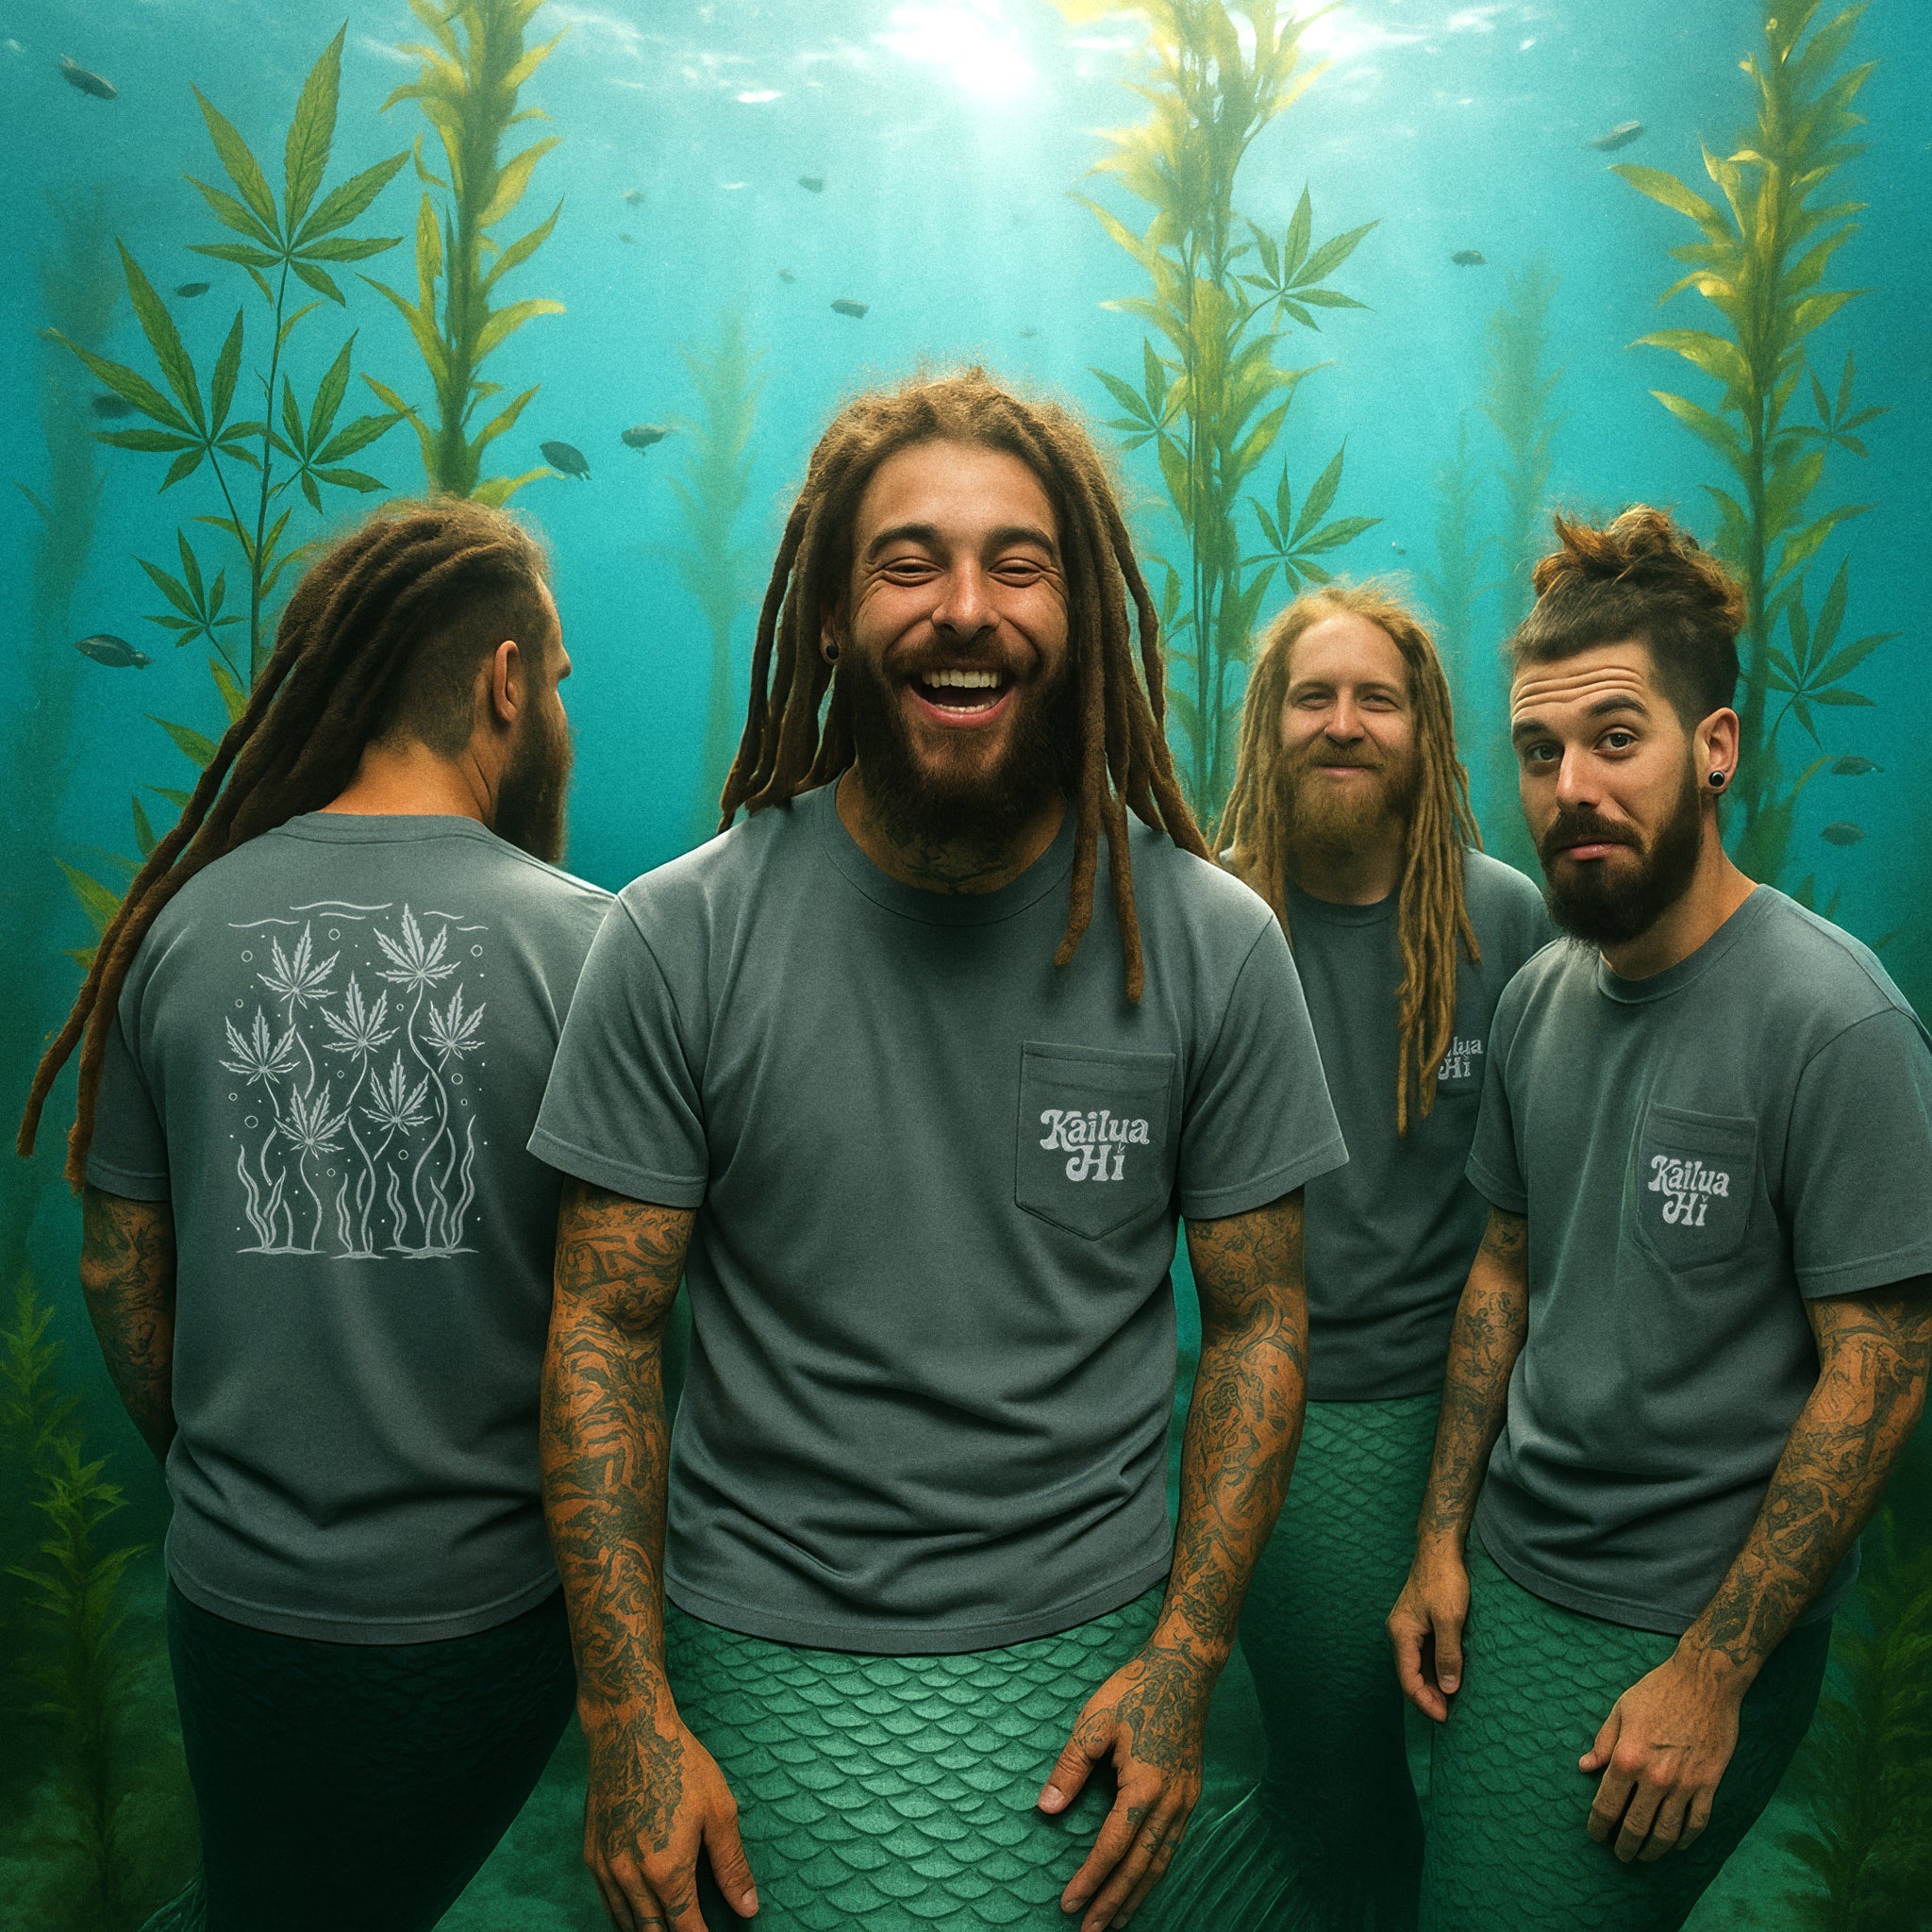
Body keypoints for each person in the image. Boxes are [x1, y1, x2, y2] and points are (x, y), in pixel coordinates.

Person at [528, 369, 1347, 1932]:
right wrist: (627, 1721)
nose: (964, 607)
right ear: (831, 615)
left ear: (1083, 612)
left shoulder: (1215, 945)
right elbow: (603, 1328)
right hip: (743, 1649)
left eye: (1018, 563)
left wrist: (1185, 1665)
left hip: (1090, 1661)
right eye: (909, 561)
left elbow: (1258, 1325)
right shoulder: (675, 937)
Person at [18, 500, 611, 1932]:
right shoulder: (596, 947)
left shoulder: (177, 927)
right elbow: (630, 1322)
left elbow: (117, 1271)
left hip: (232, 1610)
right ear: (508, 681)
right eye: (566, 681)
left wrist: (239, 1468)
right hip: (483, 1621)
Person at [1388, 507, 1932, 1931]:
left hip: (1677, 1636)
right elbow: (1501, 1274)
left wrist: (1714, 1674)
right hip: (1511, 1583)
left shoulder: (1838, 1021)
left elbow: (1883, 1367)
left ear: (1717, 746)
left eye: (1616, 737)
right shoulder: (1538, 999)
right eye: (1540, 750)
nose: (1571, 785)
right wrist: (1444, 1540)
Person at [1142, 585, 1553, 1931]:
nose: (1344, 723)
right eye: (1314, 697)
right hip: (1292, 1430)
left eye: (1376, 698)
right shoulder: (1206, 920)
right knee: (1335, 1782)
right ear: (1269, 724)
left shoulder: (1512, 926)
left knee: (1502, 1789)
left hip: (1495, 1436)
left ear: (1425, 730)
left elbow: (1546, 1211)